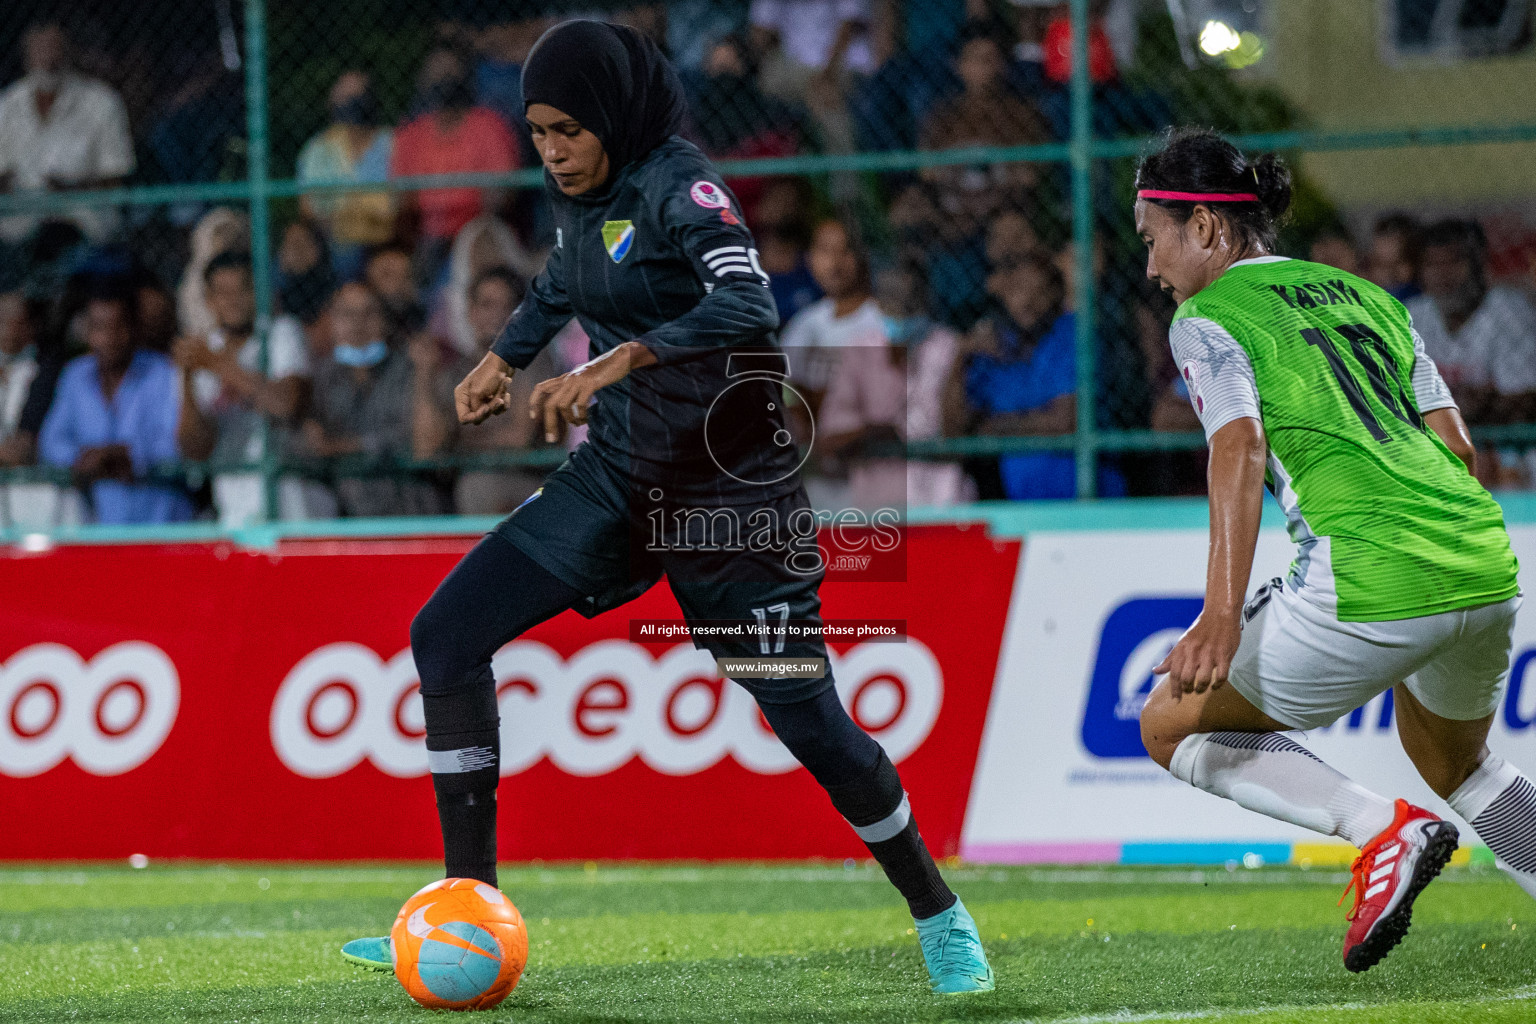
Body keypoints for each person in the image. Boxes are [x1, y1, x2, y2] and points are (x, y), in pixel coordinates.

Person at [338, 20, 993, 996]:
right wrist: (503, 359)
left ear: (612, 116)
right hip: (617, 478)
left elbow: (749, 307)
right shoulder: (582, 199)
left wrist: (616, 358)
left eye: (567, 130)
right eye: (539, 131)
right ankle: (466, 908)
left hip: (731, 494)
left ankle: (938, 911)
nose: (550, 150)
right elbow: (564, 279)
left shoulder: (686, 188)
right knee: (445, 634)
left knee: (812, 726)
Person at [1131, 129, 1530, 974]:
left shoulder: (1206, 319)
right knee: (1459, 764)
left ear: (1204, 227)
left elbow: (1236, 451)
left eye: (1152, 236)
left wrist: (1217, 616)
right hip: (1482, 560)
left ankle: (1379, 829)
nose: (1152, 267)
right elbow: (1456, 447)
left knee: (1167, 725)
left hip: (1369, 573)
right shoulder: (1368, 296)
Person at [173, 252, 329, 526]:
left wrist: (218, 365)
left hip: (293, 507)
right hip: (233, 512)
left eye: (243, 289)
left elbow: (287, 405)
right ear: (209, 300)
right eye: (223, 292)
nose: (234, 300)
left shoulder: (281, 332)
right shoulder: (202, 350)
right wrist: (186, 378)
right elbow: (195, 449)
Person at [818, 262, 972, 509]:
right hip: (878, 505)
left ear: (924, 302)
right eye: (891, 299)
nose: (900, 310)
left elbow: (946, 433)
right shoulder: (859, 350)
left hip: (942, 499)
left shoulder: (948, 346)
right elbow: (833, 438)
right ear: (877, 302)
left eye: (908, 302)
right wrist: (876, 431)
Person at [38, 288, 192, 524]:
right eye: (100, 327)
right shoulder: (74, 376)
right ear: (88, 333)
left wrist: (127, 455)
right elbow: (51, 442)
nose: (110, 337)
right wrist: (86, 459)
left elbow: (177, 443)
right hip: (97, 527)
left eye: (119, 326)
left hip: (162, 523)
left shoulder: (162, 372)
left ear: (135, 329)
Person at [415, 267, 559, 514]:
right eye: (487, 305)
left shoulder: (536, 359)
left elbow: (519, 439)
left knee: (478, 486)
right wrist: (424, 375)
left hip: (527, 478)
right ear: (471, 312)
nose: (496, 315)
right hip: (465, 480)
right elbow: (427, 447)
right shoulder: (456, 369)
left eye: (507, 307)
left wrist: (458, 446)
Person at [945, 251, 1083, 500]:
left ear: (1057, 296)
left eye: (1039, 292)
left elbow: (1065, 421)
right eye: (1019, 290)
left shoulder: (1070, 334)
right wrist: (960, 359)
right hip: (1015, 502)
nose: (1028, 301)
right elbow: (954, 433)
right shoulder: (991, 348)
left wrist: (996, 427)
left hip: (1077, 496)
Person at [302, 281, 445, 518]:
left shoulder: (410, 369)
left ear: (385, 321)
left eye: (369, 313)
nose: (358, 324)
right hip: (343, 510)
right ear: (331, 321)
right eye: (347, 314)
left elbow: (425, 447)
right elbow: (310, 444)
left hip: (407, 502)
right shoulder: (321, 377)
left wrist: (346, 445)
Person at [0, 22, 134, 247]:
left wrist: (73, 188)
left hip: (84, 214)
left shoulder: (102, 101)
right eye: (40, 50)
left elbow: (116, 176)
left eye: (54, 48)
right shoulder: (7, 105)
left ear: (69, 51)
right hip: (21, 217)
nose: (48, 59)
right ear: (26, 55)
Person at [390, 49, 520, 275]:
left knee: (476, 244)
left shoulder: (489, 125)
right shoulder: (410, 134)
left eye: (451, 73)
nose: (444, 80)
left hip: (477, 229)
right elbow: (403, 200)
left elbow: (503, 192)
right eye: (437, 74)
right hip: (427, 236)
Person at [1404, 219, 1536, 425]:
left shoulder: (1507, 311)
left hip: (1505, 446)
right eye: (1432, 264)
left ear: (1479, 265)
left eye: (1454, 262)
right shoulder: (1413, 314)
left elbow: (1524, 398)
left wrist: (1480, 404)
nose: (1442, 274)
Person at [296, 71, 397, 281]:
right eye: (344, 96)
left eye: (357, 95)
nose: (351, 103)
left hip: (385, 237)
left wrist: (351, 213)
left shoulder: (392, 144)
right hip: (332, 238)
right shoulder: (319, 148)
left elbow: (398, 206)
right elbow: (308, 207)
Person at [779, 217, 883, 411]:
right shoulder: (803, 323)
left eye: (845, 250)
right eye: (825, 250)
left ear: (862, 256)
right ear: (810, 259)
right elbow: (786, 386)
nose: (835, 261)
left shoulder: (882, 319)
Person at [1363, 213, 1421, 302]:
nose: (1381, 245)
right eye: (1381, 237)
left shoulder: (1414, 295)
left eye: (1391, 240)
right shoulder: (1362, 274)